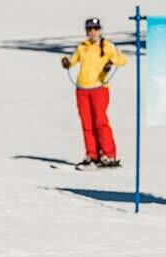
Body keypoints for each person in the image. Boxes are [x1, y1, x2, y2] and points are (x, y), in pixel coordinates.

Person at [61, 18, 127, 168]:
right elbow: (72, 62)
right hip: (82, 88)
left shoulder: (107, 46)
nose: (92, 32)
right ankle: (92, 154)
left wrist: (111, 63)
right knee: (87, 123)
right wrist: (66, 62)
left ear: (99, 30)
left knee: (100, 122)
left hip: (99, 88)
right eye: (90, 29)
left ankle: (109, 154)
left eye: (95, 28)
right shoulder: (82, 47)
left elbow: (121, 60)